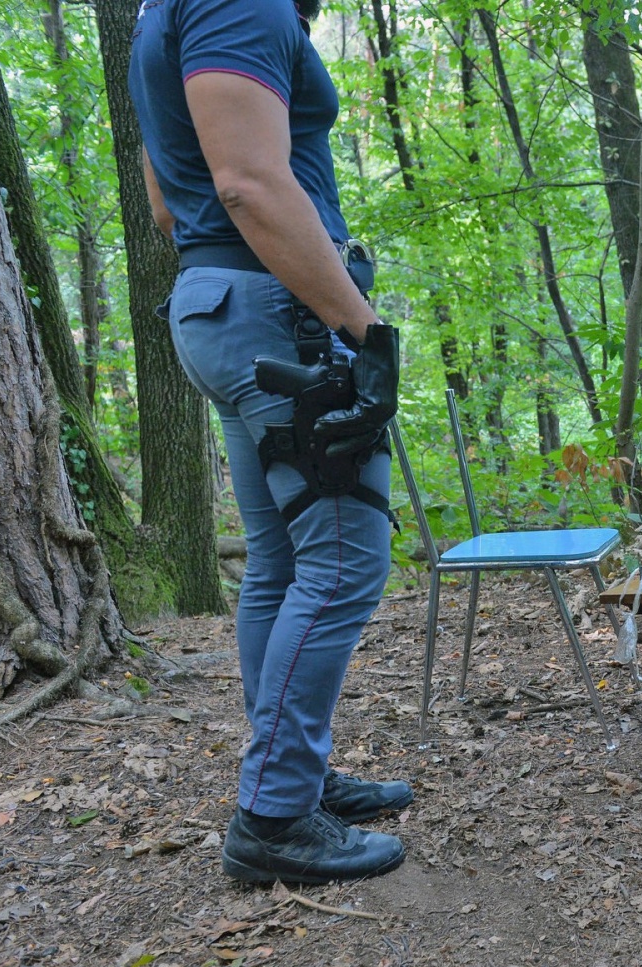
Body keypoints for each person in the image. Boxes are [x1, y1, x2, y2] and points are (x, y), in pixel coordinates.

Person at [130, 0, 413, 882]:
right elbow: (247, 182)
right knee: (345, 562)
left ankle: (293, 779)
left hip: (220, 301)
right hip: (278, 313)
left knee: (282, 564)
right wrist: (364, 331)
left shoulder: (162, 16)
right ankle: (275, 815)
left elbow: (166, 203)